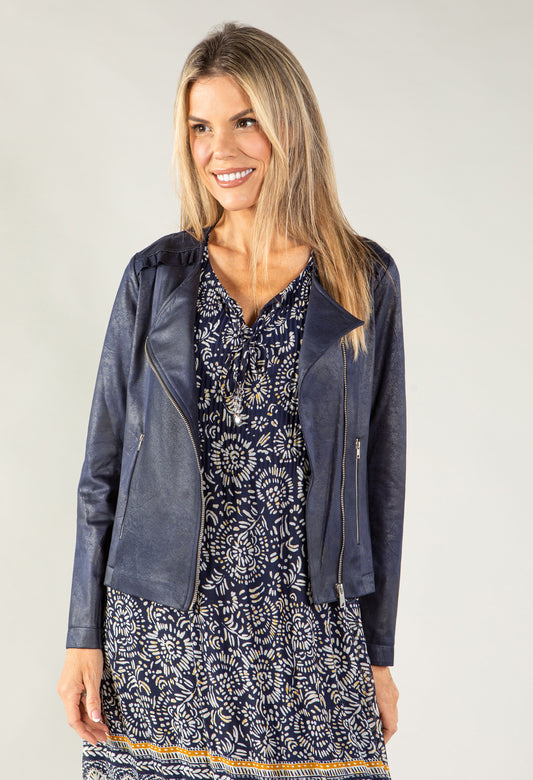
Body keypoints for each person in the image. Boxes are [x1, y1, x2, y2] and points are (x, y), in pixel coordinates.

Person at [58, 21, 406, 780]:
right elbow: (102, 471)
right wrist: (84, 634)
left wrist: (377, 654)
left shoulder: (362, 279)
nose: (221, 149)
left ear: (290, 125)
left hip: (309, 641)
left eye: (245, 121)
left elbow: (382, 481)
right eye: (201, 127)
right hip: (161, 639)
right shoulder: (155, 278)